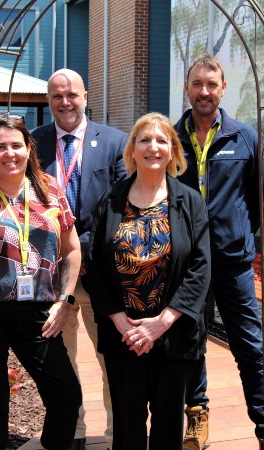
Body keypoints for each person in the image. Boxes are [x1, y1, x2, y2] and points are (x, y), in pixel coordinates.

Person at [173, 54, 264, 450]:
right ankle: (197, 417)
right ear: (187, 89)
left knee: (250, 347)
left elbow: (262, 197)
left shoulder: (244, 137)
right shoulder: (172, 139)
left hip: (233, 263)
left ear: (222, 89)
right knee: (191, 344)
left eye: (211, 84)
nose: (204, 91)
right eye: (197, 84)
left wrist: (235, 234)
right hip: (186, 266)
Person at [87, 112, 210, 450]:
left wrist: (161, 323)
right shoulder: (110, 201)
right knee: (127, 424)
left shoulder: (191, 202)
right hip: (123, 334)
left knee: (169, 425)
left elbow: (201, 268)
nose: (152, 147)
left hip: (173, 333)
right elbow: (94, 266)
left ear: (172, 150)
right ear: (132, 149)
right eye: (144, 140)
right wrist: (117, 319)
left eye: (161, 140)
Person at [0, 114, 82, 450]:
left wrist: (66, 299)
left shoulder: (50, 189)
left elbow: (72, 249)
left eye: (16, 145)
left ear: (29, 149)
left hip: (39, 313)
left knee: (66, 396)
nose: (9, 153)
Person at [31, 68, 127, 450]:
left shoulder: (114, 142)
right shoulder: (33, 143)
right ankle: (72, 432)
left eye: (72, 94)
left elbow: (122, 206)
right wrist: (64, 252)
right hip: (52, 278)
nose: (65, 102)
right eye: (57, 96)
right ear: (49, 101)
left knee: (113, 361)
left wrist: (82, 249)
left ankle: (120, 434)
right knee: (61, 364)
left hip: (102, 276)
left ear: (85, 95)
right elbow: (28, 206)